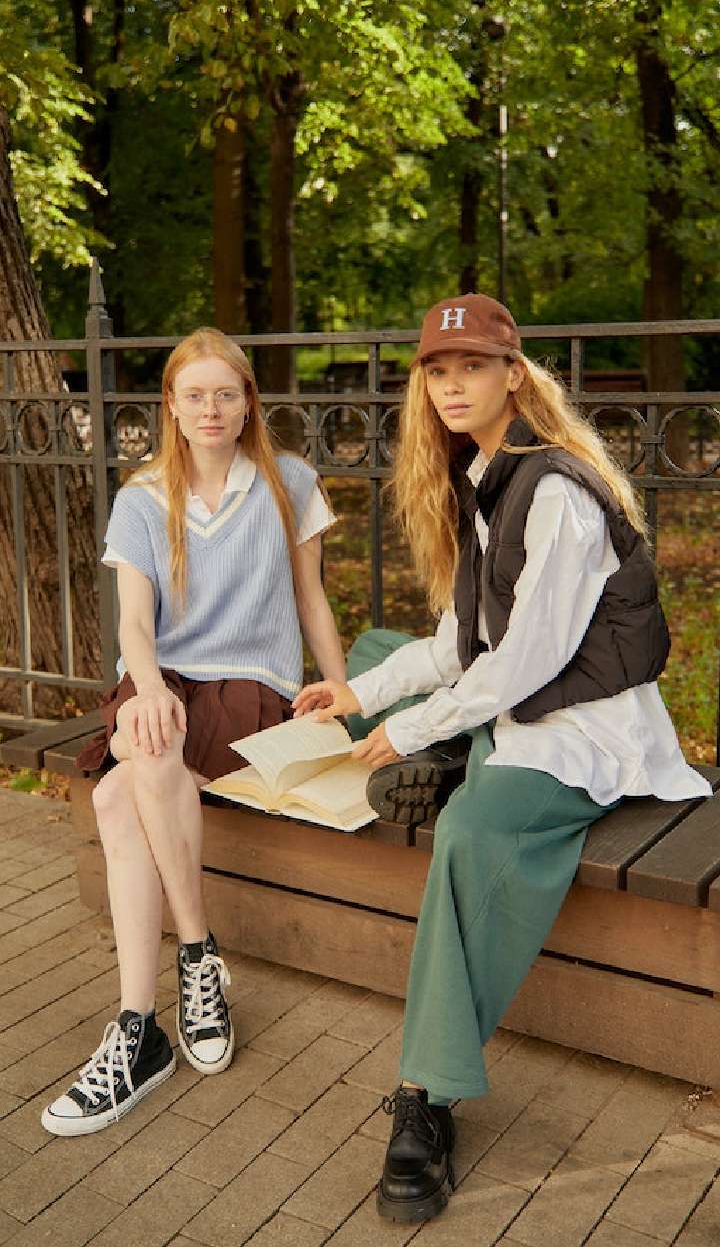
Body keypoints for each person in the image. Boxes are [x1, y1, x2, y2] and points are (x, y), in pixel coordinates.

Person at [293, 293, 711, 1225]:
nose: (452, 386)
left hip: (575, 734)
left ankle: (427, 1092)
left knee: (468, 835)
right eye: (438, 372)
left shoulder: (553, 490)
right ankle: (454, 746)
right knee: (374, 654)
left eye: (472, 368)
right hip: (511, 706)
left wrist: (409, 729)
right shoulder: (485, 477)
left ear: (514, 376)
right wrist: (362, 694)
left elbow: (526, 661)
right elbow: (460, 641)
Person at [41, 328, 345, 1136]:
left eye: (225, 393)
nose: (211, 408)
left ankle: (140, 1027)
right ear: (170, 406)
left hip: (252, 682)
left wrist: (341, 688)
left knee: (118, 799)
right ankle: (192, 960)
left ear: (248, 403)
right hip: (164, 680)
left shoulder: (288, 482)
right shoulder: (143, 497)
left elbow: (311, 600)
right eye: (194, 394)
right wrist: (145, 687)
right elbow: (134, 624)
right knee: (144, 753)